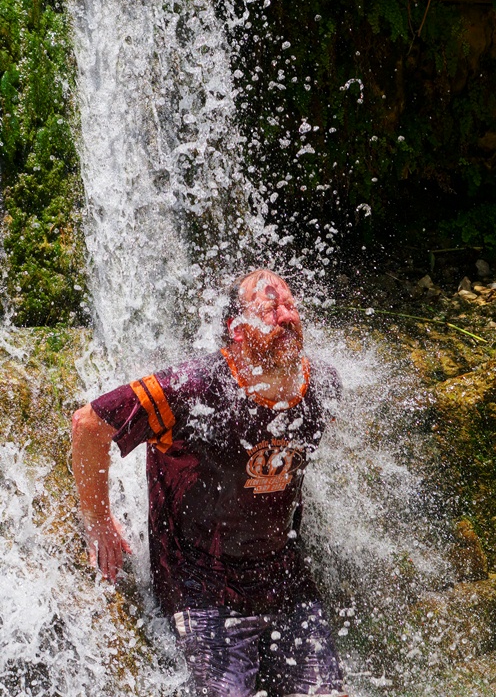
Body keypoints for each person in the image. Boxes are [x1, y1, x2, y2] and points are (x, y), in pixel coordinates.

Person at [72, 269, 347, 697]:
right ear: (236, 330)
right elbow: (90, 424)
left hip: (282, 576)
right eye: (271, 310)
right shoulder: (195, 388)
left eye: (291, 306)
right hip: (201, 580)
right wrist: (98, 519)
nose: (287, 317)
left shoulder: (324, 387)